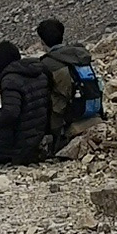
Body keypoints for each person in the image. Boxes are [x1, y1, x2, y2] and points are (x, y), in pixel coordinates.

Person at [36, 16, 98, 150]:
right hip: (90, 108)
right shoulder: (78, 55)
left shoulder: (47, 63)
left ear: (42, 41)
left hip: (64, 117)